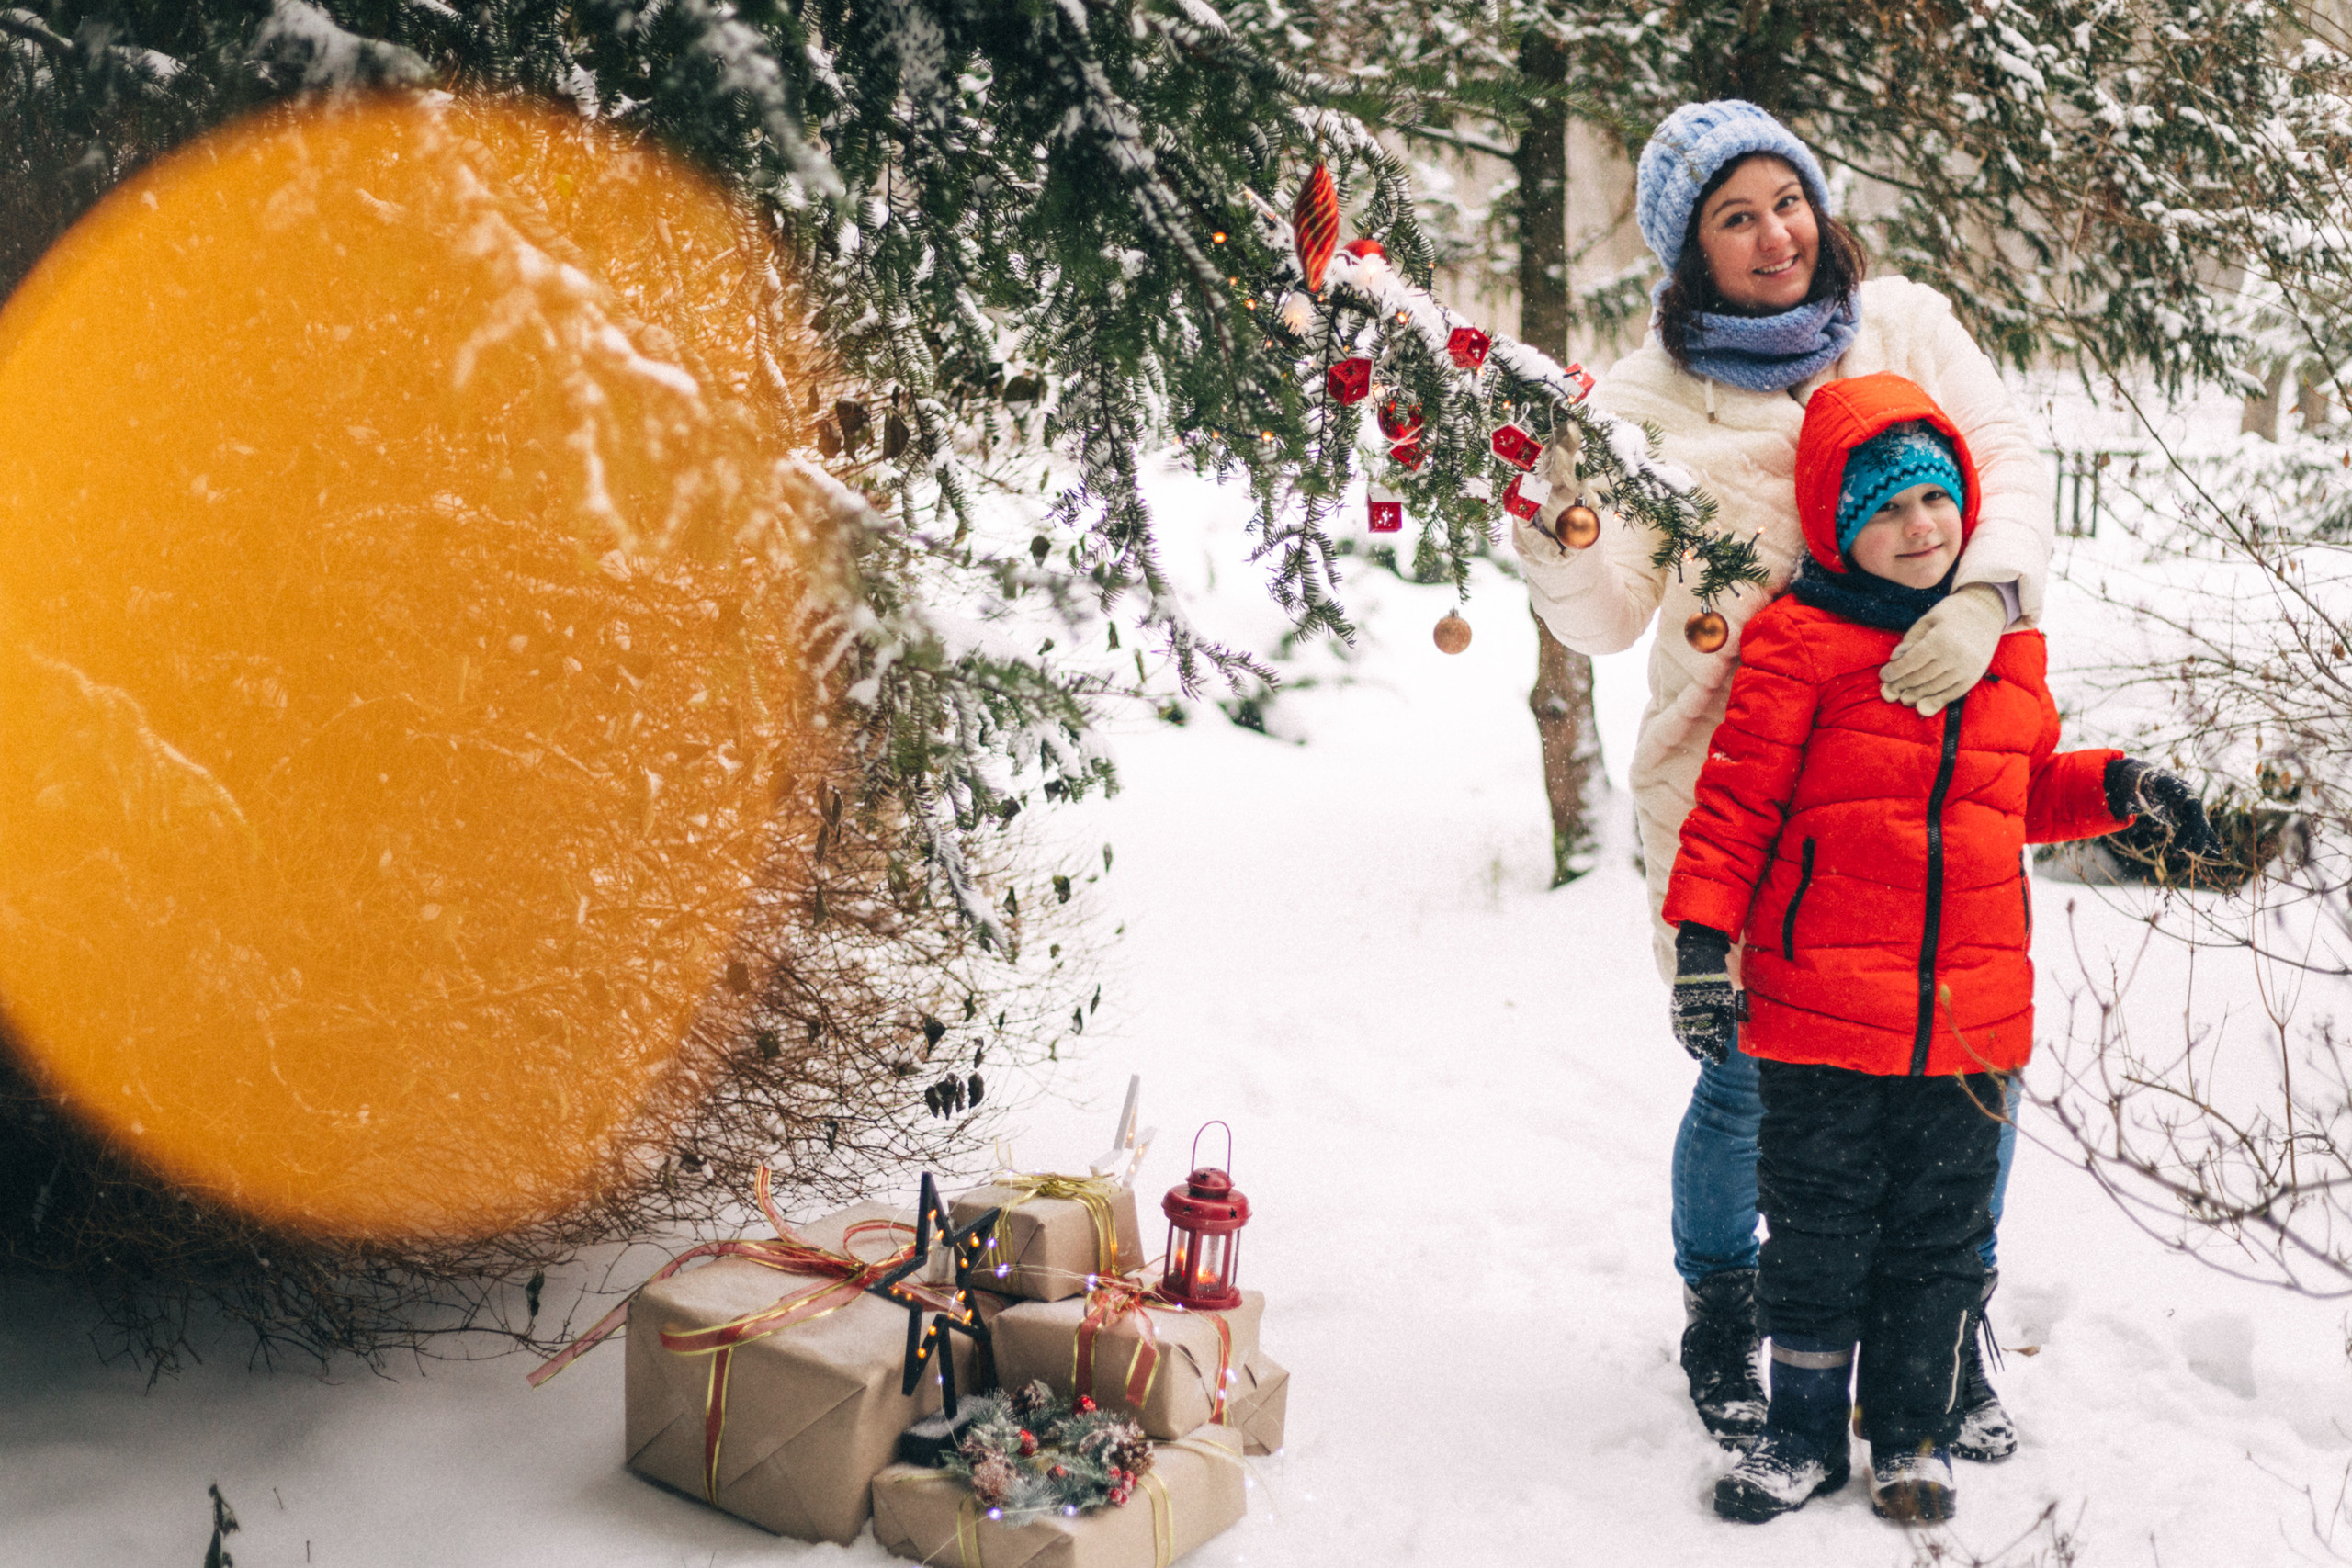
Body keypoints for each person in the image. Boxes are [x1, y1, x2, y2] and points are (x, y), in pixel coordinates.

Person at [1510, 99, 2052, 1455]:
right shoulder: (1638, 404)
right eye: (1734, 216)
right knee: (1754, 1074)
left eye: (1788, 199)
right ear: (1690, 250)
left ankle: (1940, 1322)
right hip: (1740, 790)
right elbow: (1605, 614)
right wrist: (1550, 526)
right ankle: (1724, 1298)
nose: (1775, 234)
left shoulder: (1906, 327)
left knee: (1963, 1063)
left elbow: (2007, 461)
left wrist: (1987, 597)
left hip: (1930, 772)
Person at [1658, 373, 2218, 1522]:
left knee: (1938, 1241)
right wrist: (1706, 946)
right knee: (1813, 1235)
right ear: (1836, 527)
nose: (1918, 528)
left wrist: (2121, 788)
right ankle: (1804, 1434)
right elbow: (1733, 810)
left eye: (1933, 501)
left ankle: (1910, 1431)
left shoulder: (2006, 656)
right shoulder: (1796, 647)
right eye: (1884, 509)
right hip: (1817, 1013)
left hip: (1968, 1022)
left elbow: (2015, 794)